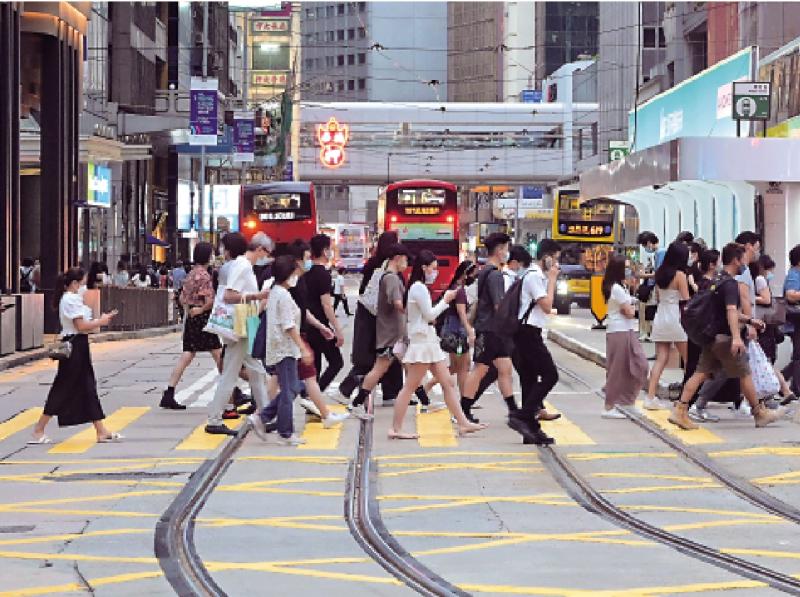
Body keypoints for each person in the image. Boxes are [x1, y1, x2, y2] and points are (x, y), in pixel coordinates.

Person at [669, 243, 784, 430]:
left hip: (713, 337)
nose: (745, 262)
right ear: (736, 260)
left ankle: (680, 410)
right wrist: (737, 337)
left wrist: (749, 320)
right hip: (725, 338)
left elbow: (725, 311)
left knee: (700, 374)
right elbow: (731, 310)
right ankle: (759, 412)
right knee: (744, 373)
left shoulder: (718, 280)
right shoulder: (730, 284)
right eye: (743, 259)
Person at [388, 250, 486, 439]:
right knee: (410, 386)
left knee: (448, 383)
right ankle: (396, 428)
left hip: (429, 342)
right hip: (422, 344)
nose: (435, 272)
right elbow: (430, 315)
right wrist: (446, 300)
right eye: (432, 268)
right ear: (424, 268)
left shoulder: (419, 287)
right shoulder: (418, 288)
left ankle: (463, 423)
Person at [28, 268, 121, 444]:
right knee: (63, 386)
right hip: (75, 346)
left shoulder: (71, 298)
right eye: (82, 282)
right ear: (74, 283)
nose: (84, 285)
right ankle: (38, 429)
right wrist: (100, 321)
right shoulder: (70, 299)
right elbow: (80, 326)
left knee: (87, 386)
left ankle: (101, 430)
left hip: (80, 345)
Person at [205, 232, 270, 436]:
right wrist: (257, 295)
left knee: (257, 370)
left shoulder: (244, 265)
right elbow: (229, 295)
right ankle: (214, 419)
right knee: (232, 372)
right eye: (266, 252)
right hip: (240, 325)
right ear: (258, 249)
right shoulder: (242, 265)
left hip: (248, 322)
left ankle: (266, 416)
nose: (267, 257)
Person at [250, 255, 310, 446]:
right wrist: (302, 347)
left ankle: (263, 416)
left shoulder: (276, 291)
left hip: (281, 347)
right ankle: (284, 432)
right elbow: (288, 325)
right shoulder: (282, 295)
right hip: (285, 349)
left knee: (292, 388)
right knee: (288, 391)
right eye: (295, 272)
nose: (297, 276)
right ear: (288, 274)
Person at [338, 231, 403, 406]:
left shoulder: (374, 264)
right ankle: (349, 389)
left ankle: (392, 393)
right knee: (375, 358)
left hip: (373, 316)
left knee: (390, 355)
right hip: (375, 318)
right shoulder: (385, 268)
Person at [459, 232, 517, 426]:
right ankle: (463, 409)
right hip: (490, 329)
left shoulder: (485, 271)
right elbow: (499, 306)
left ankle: (514, 411)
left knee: (505, 368)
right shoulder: (495, 275)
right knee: (480, 369)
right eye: (506, 249)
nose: (507, 253)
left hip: (493, 330)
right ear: (499, 250)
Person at [509, 240, 562, 444]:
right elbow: (547, 306)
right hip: (527, 333)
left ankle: (531, 431)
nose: (556, 263)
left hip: (529, 332)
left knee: (529, 380)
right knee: (550, 375)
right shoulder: (534, 277)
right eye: (555, 258)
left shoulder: (534, 275)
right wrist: (552, 279)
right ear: (546, 257)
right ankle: (523, 415)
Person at [349, 244, 411, 417]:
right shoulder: (391, 278)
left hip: (394, 335)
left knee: (409, 368)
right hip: (391, 336)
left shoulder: (388, 276)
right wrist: (413, 310)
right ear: (397, 258)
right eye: (405, 259)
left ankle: (425, 402)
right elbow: (398, 303)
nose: (406, 264)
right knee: (379, 370)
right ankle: (356, 402)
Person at [160, 242, 222, 410]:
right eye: (212, 254)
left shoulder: (191, 274)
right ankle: (232, 391)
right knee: (218, 354)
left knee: (187, 354)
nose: (213, 257)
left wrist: (190, 309)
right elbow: (209, 300)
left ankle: (169, 392)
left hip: (191, 319)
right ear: (207, 256)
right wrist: (201, 308)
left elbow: (181, 298)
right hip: (202, 319)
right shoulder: (204, 275)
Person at [646, 242, 691, 409]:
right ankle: (685, 399)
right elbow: (686, 300)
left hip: (661, 315)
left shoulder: (660, 274)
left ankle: (650, 397)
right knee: (688, 360)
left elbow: (658, 297)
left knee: (660, 359)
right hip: (677, 317)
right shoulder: (680, 275)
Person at [602, 255, 648, 418]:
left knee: (639, 366)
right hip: (618, 331)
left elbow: (628, 309)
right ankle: (609, 405)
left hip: (627, 331)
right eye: (626, 267)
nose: (629, 271)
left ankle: (628, 401)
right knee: (617, 370)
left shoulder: (621, 287)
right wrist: (632, 308)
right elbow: (628, 313)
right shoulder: (615, 288)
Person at [425, 260, 477, 398]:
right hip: (457, 336)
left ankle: (464, 398)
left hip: (452, 333)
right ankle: (463, 400)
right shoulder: (458, 291)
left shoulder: (455, 288)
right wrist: (470, 331)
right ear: (465, 274)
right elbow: (462, 314)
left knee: (459, 366)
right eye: (472, 274)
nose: (474, 277)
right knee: (461, 367)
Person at [303, 234, 345, 392]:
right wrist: (337, 329)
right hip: (320, 325)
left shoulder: (305, 272)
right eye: (330, 249)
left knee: (316, 366)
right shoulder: (322, 274)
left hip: (308, 323)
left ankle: (312, 398)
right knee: (336, 362)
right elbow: (327, 305)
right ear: (325, 251)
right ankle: (315, 396)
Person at [782, 244, 800, 397]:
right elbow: (790, 295)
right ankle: (795, 386)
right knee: (798, 354)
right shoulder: (794, 274)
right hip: (796, 320)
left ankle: (781, 378)